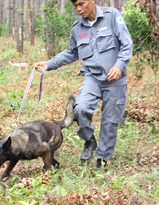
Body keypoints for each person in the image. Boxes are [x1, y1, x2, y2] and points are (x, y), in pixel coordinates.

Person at [35, 0, 133, 169]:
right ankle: (89, 140)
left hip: (115, 80)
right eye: (75, 6)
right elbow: (71, 52)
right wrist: (48, 64)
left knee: (110, 120)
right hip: (92, 78)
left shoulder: (112, 17)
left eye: (81, 4)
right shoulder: (77, 27)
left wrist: (119, 65)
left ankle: (103, 158)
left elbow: (127, 44)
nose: (79, 9)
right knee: (80, 109)